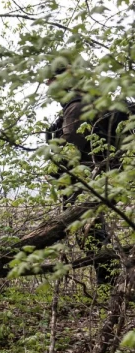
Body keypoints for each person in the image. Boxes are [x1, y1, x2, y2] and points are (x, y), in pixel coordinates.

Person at [45, 60, 129, 285]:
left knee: (92, 234)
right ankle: (111, 284)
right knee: (92, 233)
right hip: (97, 177)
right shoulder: (87, 103)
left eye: (51, 81)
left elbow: (71, 148)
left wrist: (55, 168)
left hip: (86, 181)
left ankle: (109, 285)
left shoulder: (77, 106)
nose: (47, 86)